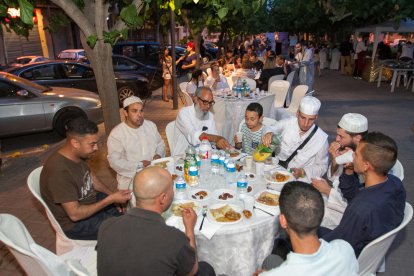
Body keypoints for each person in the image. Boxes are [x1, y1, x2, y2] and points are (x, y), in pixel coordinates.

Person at [97, 166, 216, 276]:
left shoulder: (107, 225)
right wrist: (189, 229)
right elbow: (192, 271)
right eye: (172, 189)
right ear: (163, 198)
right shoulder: (173, 238)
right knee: (205, 269)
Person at [40, 117, 132, 240]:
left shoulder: (77, 154)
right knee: (127, 229)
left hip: (89, 202)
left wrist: (112, 196)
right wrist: (109, 200)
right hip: (76, 224)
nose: (96, 148)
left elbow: (91, 178)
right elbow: (75, 214)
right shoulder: (59, 171)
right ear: (75, 143)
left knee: (127, 212)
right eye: (92, 144)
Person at [320, 132, 406, 256]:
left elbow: (336, 243)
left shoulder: (360, 209)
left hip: (348, 253)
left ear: (366, 165)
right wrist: (349, 170)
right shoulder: (395, 183)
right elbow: (354, 195)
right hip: (370, 241)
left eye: (356, 154)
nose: (352, 156)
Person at [256, 181, 358, 276]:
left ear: (283, 221)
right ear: (321, 215)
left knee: (270, 260)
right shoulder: (345, 249)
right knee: (272, 260)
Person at [312, 113, 368, 229]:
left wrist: (328, 191)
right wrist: (335, 159)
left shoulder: (365, 164)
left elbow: (354, 204)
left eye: (341, 137)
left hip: (344, 218)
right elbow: (334, 178)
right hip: (335, 200)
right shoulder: (348, 151)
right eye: (337, 135)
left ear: (357, 138)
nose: (337, 139)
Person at [262, 96, 329, 182]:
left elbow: (322, 166)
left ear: (316, 117)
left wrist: (303, 172)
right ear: (297, 113)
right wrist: (268, 133)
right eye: (303, 117)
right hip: (276, 170)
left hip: (300, 180)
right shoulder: (288, 123)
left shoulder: (321, 138)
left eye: (311, 119)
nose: (306, 123)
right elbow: (271, 128)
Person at [107, 96, 165, 191]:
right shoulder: (117, 134)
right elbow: (115, 161)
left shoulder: (150, 125)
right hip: (131, 179)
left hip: (153, 173)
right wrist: (139, 165)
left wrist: (158, 155)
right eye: (134, 111)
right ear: (125, 113)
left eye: (141, 111)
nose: (139, 115)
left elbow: (160, 144)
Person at [173, 86, 231, 156]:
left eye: (210, 103)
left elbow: (213, 141)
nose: (208, 106)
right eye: (205, 102)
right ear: (195, 99)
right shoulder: (184, 113)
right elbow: (193, 136)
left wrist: (220, 144)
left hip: (203, 156)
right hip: (182, 157)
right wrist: (216, 138)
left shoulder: (210, 116)